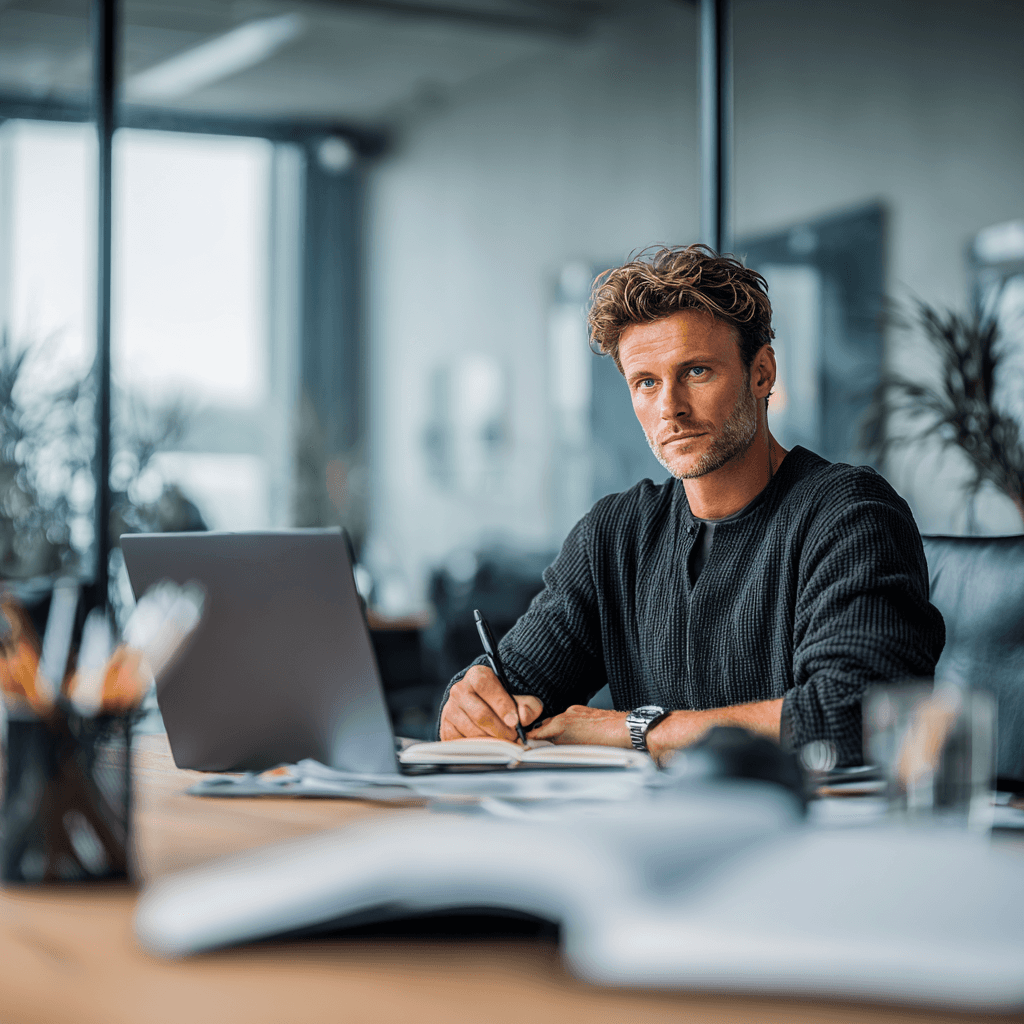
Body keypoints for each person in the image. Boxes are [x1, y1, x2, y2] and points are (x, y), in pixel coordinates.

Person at [438, 245, 945, 766]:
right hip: (655, 832)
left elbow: (852, 714)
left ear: (762, 373)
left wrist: (636, 729)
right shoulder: (614, 534)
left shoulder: (850, 515)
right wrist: (472, 704)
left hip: (812, 835)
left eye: (697, 372)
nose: (670, 408)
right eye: (646, 383)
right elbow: (513, 692)